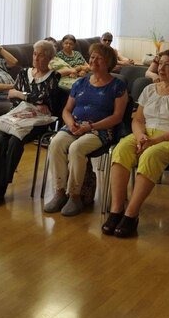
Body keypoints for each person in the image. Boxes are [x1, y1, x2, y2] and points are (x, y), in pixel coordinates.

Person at [103, 48, 169, 237]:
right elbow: (138, 120)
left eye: (167, 65)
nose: (161, 68)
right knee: (121, 149)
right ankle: (116, 209)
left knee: (150, 155)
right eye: (160, 63)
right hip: (145, 135)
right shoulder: (149, 89)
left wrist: (155, 141)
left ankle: (131, 214)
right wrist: (141, 136)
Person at [44, 44, 128, 216]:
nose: (93, 60)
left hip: (100, 129)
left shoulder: (117, 86)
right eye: (92, 57)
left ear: (109, 62)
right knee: (56, 143)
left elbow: (117, 117)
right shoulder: (80, 83)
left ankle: (75, 196)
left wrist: (90, 126)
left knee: (76, 148)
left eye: (99, 58)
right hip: (75, 126)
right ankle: (59, 192)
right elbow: (67, 110)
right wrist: (71, 123)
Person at [0, 40, 63, 205]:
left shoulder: (54, 76)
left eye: (41, 55)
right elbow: (12, 97)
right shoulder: (24, 73)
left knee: (15, 140)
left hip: (40, 121)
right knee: (1, 137)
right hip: (18, 116)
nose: (36, 58)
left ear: (50, 58)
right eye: (35, 54)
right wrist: (27, 98)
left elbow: (42, 98)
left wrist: (21, 94)